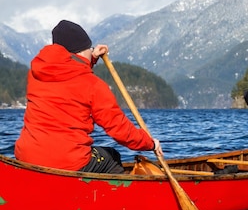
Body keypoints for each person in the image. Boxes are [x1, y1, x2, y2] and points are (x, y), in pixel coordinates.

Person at [14, 20, 162, 174]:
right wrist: (149, 143)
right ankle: (117, 196)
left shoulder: (35, 74)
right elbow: (119, 128)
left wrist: (91, 59)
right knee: (111, 156)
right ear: (81, 50)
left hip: (26, 156)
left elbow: (67, 73)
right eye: (89, 48)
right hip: (67, 160)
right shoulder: (93, 85)